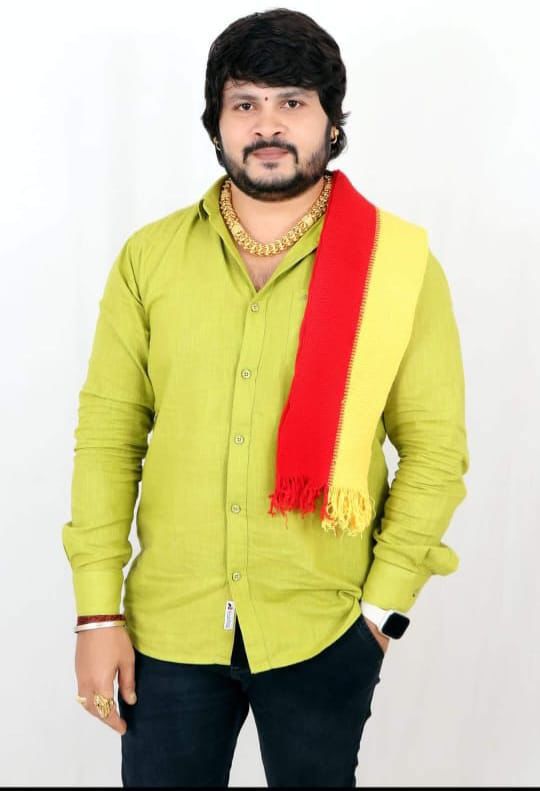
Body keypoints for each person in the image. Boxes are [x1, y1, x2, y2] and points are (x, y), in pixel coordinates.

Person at [62, 8, 470, 788]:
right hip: (168, 630)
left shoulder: (399, 267)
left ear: (331, 122)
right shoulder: (150, 258)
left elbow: (434, 450)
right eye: (245, 102)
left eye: (292, 102)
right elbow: (110, 435)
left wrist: (380, 613)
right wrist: (97, 611)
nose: (268, 125)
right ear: (216, 123)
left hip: (323, 626)